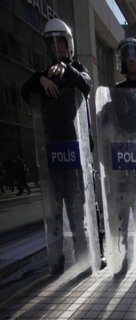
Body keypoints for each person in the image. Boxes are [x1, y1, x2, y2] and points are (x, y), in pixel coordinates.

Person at [21, 18, 93, 273]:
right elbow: (24, 90)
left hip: (73, 155)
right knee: (54, 215)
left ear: (68, 44)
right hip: (52, 154)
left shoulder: (75, 71)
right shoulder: (45, 76)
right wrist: (41, 79)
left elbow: (86, 84)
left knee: (76, 213)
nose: (56, 47)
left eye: (60, 42)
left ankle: (84, 260)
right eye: (51, 43)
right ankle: (57, 262)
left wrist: (67, 70)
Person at [98, 38, 136, 274]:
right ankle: (125, 257)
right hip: (121, 173)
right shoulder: (111, 103)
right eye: (128, 57)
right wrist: (112, 167)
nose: (132, 60)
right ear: (123, 62)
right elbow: (104, 144)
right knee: (123, 218)